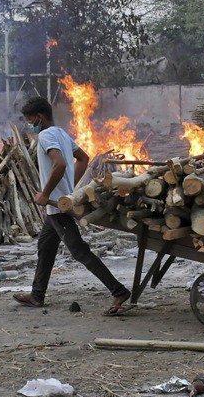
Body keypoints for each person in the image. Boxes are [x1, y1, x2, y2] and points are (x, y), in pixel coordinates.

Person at [13, 96, 132, 316]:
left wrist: (46, 193)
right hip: (58, 205)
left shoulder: (46, 135)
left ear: (39, 117)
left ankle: (118, 290)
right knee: (45, 248)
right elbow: (84, 158)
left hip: (57, 206)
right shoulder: (61, 133)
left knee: (79, 251)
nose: (30, 125)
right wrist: (71, 188)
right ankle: (37, 295)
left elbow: (60, 164)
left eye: (31, 120)